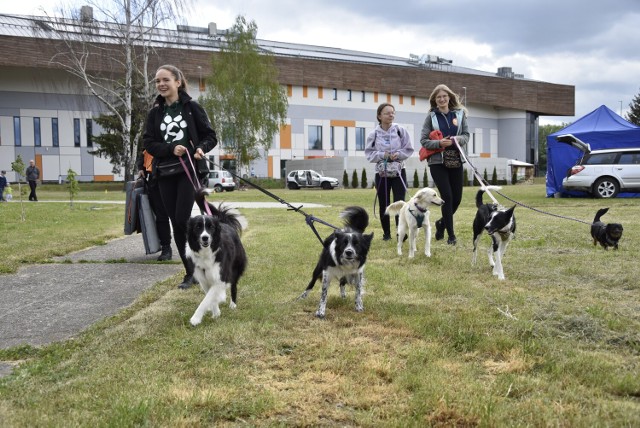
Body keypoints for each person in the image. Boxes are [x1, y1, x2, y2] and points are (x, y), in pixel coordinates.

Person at [143, 64, 217, 289]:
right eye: (157, 81)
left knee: (182, 219)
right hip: (165, 172)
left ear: (178, 81)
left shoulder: (192, 108)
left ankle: (200, 267)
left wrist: (200, 148)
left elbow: (210, 136)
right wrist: (170, 148)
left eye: (165, 79)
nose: (161, 84)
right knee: (176, 223)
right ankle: (191, 273)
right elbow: (148, 143)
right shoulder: (155, 113)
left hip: (189, 170)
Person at [419, 84, 470, 245]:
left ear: (449, 97)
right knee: (447, 197)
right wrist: (440, 143)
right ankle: (451, 235)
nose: (441, 99)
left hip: (456, 160)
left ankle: (441, 223)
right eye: (438, 97)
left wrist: (456, 140)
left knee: (457, 199)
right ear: (434, 100)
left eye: (444, 96)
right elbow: (424, 140)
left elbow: (466, 135)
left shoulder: (460, 115)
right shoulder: (431, 117)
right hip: (437, 162)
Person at [365, 103, 414, 241]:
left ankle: (401, 232)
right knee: (384, 203)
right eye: (387, 113)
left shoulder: (400, 130)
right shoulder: (373, 134)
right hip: (382, 174)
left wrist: (397, 154)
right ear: (379, 116)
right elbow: (369, 154)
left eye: (393, 112)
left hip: (399, 172)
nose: (391, 115)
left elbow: (408, 149)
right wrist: (383, 155)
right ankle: (386, 234)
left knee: (400, 203)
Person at [136, 149, 173, 261]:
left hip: (174, 175)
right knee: (161, 216)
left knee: (180, 216)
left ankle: (189, 246)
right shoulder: (151, 136)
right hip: (154, 178)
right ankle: (166, 247)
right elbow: (144, 153)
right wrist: (141, 167)